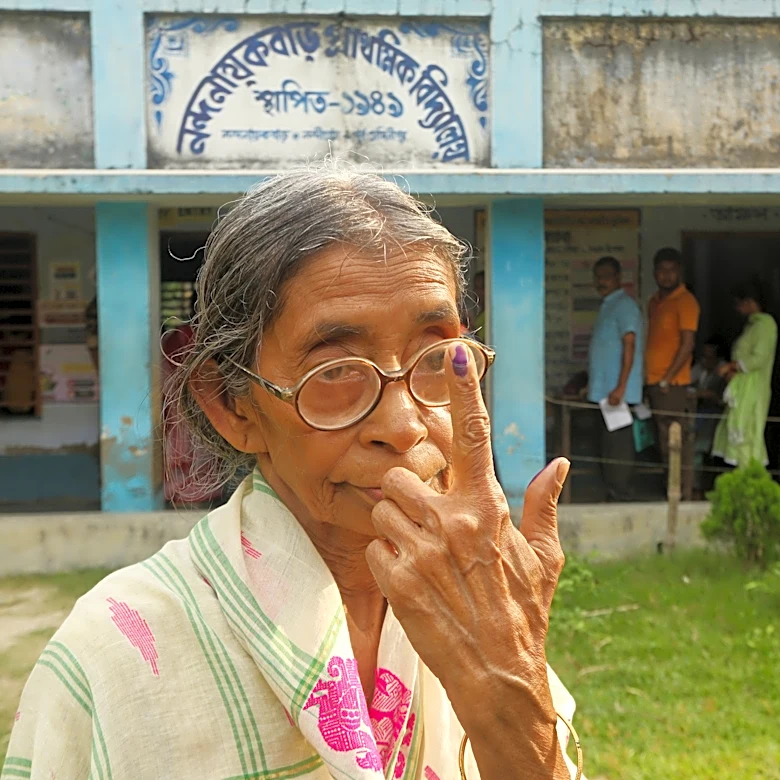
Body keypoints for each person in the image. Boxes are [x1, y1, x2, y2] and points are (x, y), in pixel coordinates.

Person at [3, 167, 583, 780]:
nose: (406, 424)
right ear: (232, 406)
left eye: (437, 358)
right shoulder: (115, 652)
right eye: (334, 371)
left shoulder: (485, 611)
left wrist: (508, 681)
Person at [645, 247, 700, 501]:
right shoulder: (654, 302)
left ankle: (682, 495)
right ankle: (671, 491)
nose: (666, 276)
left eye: (671, 270)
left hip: (673, 384)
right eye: (661, 271)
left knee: (676, 440)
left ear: (679, 272)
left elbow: (687, 345)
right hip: (654, 382)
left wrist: (668, 377)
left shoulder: (686, 301)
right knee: (663, 441)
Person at [587, 256, 643, 502]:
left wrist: (621, 386)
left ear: (619, 278)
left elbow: (629, 346)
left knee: (618, 447)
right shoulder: (607, 305)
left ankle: (621, 493)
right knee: (606, 446)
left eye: (607, 276)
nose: (602, 281)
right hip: (603, 393)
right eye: (598, 277)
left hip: (617, 395)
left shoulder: (625, 305)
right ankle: (612, 490)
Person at [712, 282, 778, 468]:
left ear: (749, 302)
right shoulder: (752, 326)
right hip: (741, 388)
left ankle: (751, 481)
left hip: (754, 389)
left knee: (749, 433)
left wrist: (731, 367)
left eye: (738, 303)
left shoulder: (766, 325)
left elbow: (758, 359)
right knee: (737, 431)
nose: (737, 309)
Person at [690, 337, 727, 496]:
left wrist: (713, 397)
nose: (705, 360)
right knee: (696, 450)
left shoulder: (724, 371)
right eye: (703, 356)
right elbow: (687, 385)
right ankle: (696, 487)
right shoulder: (700, 368)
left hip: (718, 417)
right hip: (699, 414)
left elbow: (726, 400)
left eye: (709, 357)